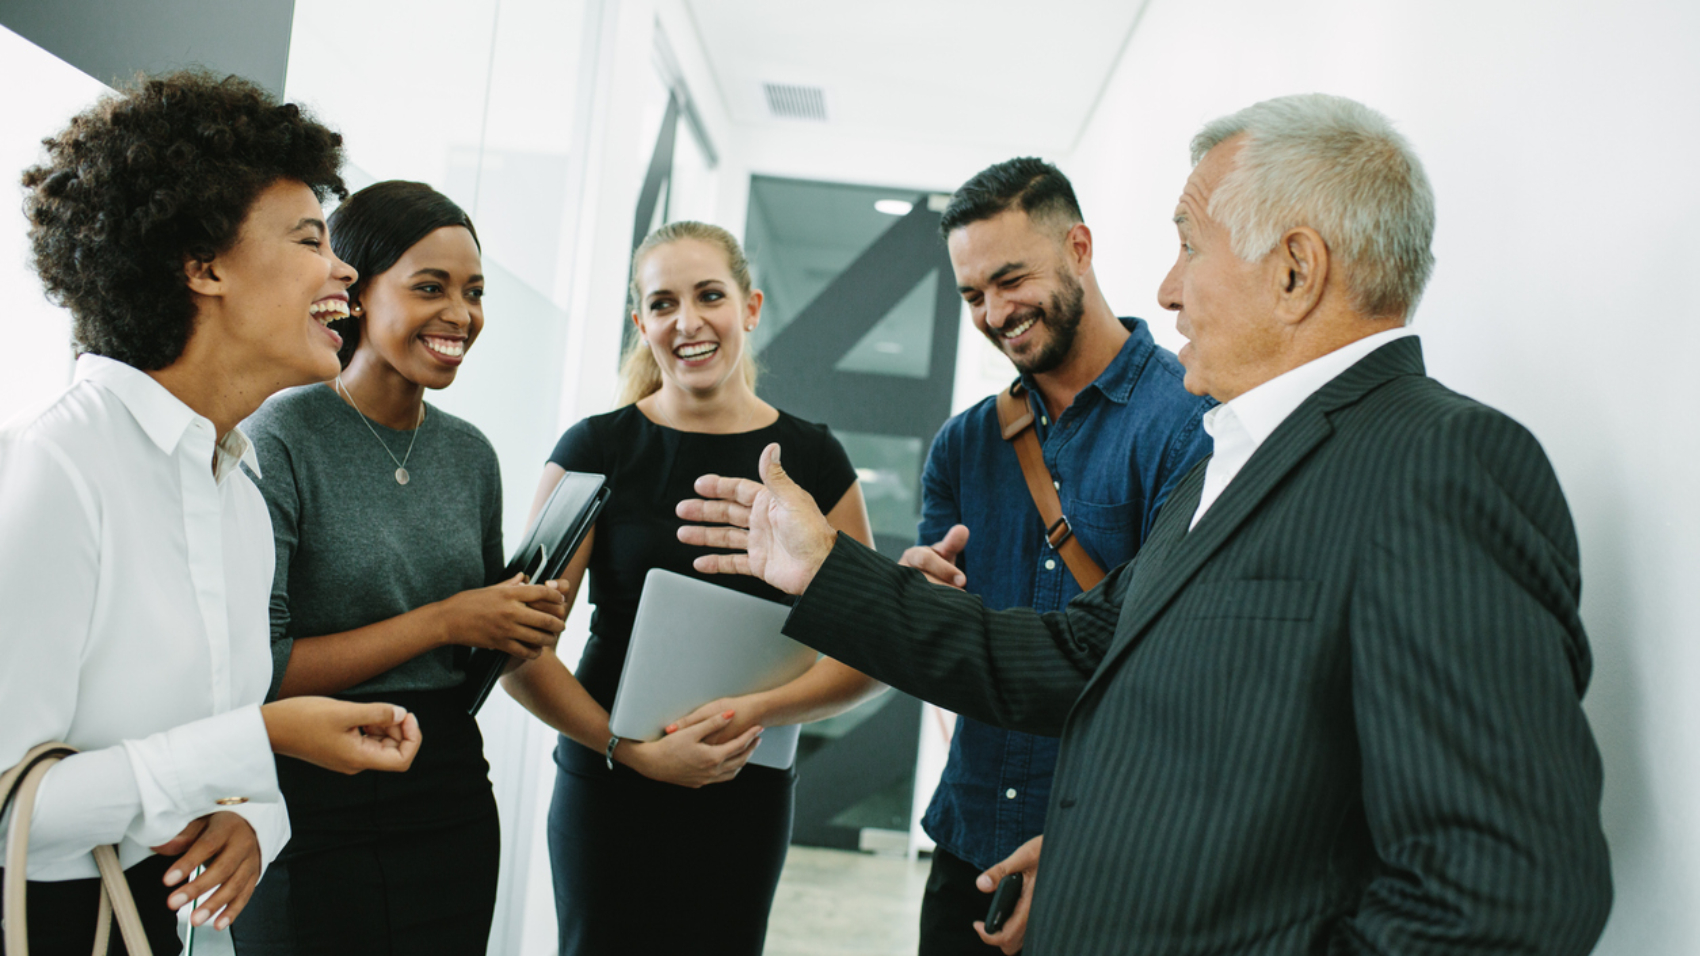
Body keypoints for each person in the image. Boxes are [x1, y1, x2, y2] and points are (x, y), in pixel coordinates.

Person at [678, 94, 1614, 955]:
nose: (1167, 290)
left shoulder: (1440, 463)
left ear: (1294, 270)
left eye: (1189, 249)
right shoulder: (1237, 455)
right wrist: (825, 569)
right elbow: (1078, 658)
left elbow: (1502, 896)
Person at [0, 71, 423, 956]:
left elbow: (214, 763)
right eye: (311, 239)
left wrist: (255, 823)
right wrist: (261, 737)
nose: (342, 267)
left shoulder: (239, 483)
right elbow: (9, 815)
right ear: (203, 265)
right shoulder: (55, 470)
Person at [498, 220, 885, 955]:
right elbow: (516, 652)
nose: (688, 321)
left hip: (747, 788)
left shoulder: (814, 459)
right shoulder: (594, 449)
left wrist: (759, 711)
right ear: (641, 323)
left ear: (751, 306)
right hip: (608, 782)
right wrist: (628, 749)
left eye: (709, 295)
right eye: (663, 303)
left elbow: (868, 651)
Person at [225, 180, 567, 955]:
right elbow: (262, 671)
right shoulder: (279, 436)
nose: (461, 314)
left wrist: (518, 622)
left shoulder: (470, 454)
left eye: (474, 292)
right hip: (308, 792)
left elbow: (477, 650)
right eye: (430, 287)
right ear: (355, 287)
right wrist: (447, 619)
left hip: (444, 787)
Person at [897, 157, 1210, 955]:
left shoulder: (1190, 424)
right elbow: (950, 658)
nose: (996, 313)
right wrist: (916, 605)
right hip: (967, 845)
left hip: (1107, 859)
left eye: (1010, 280)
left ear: (1079, 246)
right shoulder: (962, 447)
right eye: (973, 296)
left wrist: (1090, 847)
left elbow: (1184, 679)